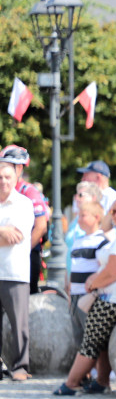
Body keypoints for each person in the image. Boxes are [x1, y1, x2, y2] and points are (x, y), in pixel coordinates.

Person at [54, 196, 116, 395]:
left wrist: (93, 284)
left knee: (91, 339)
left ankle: (72, 383)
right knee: (100, 340)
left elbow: (114, 271)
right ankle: (101, 381)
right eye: (113, 211)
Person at [0, 161, 35, 381]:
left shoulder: (24, 204)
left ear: (15, 179)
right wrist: (3, 231)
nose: (3, 181)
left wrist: (7, 234)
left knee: (19, 324)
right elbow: (6, 237)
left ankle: (20, 366)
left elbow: (16, 237)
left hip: (14, 272)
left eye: (7, 177)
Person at [0, 146, 48, 295]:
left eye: (7, 166)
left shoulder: (28, 191)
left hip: (25, 255)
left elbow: (41, 227)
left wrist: (23, 249)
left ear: (18, 168)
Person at [67, 201, 108, 329]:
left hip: (90, 296)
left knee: (89, 330)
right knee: (76, 332)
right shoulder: (77, 242)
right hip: (74, 294)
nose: (79, 220)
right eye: (78, 216)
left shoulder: (102, 242)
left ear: (96, 217)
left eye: (83, 215)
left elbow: (104, 268)